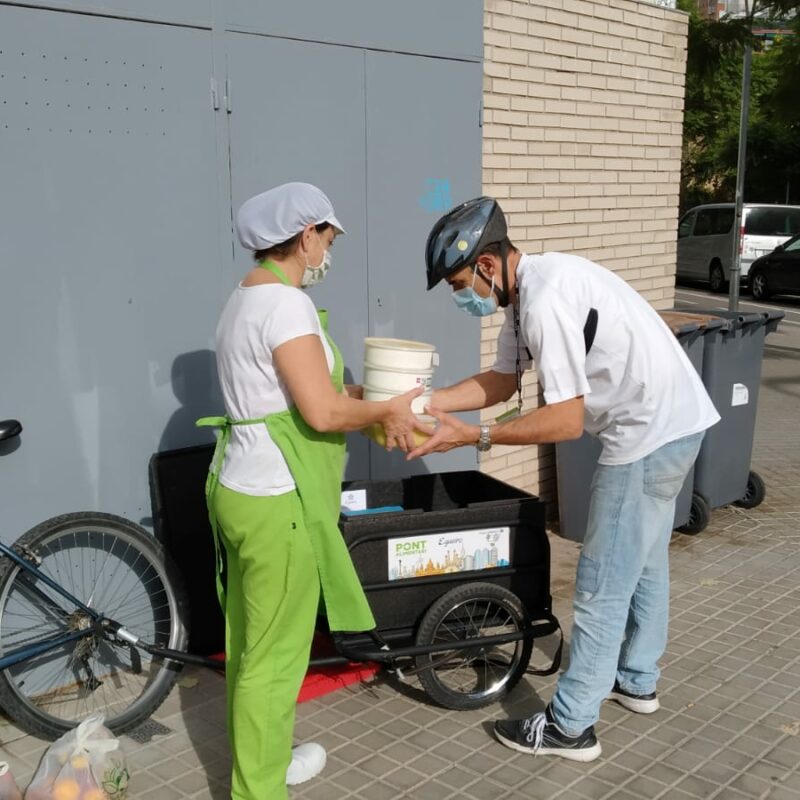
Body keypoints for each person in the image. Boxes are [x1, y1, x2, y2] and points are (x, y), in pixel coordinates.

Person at [409, 196, 719, 762]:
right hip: (678, 422)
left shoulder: (546, 300)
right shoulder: (526, 293)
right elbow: (502, 382)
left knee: (601, 585)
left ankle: (571, 726)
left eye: (458, 283)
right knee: (644, 563)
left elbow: (566, 421)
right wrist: (423, 403)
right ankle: (637, 679)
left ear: (485, 265)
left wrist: (475, 438)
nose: (461, 297)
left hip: (646, 436)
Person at [197, 182, 420, 799]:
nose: (330, 247)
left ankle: (265, 760)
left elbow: (294, 397)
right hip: (278, 499)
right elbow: (319, 415)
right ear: (303, 236)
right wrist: (385, 412)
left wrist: (362, 398)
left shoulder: (243, 298)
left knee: (249, 646)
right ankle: (259, 790)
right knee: (275, 662)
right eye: (328, 235)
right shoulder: (287, 306)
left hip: (239, 488)